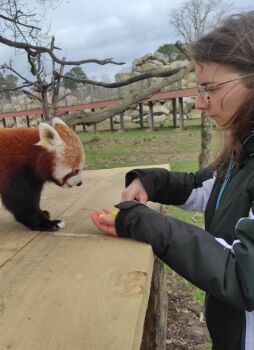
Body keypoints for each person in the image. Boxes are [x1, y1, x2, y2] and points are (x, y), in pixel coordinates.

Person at [91, 11, 254, 350]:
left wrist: (142, 223)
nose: (199, 103)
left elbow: (242, 276)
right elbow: (203, 185)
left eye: (209, 88)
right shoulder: (246, 149)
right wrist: (150, 182)